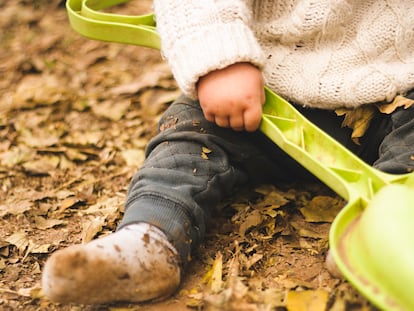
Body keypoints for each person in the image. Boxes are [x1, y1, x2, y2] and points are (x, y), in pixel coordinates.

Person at [42, 0, 414, 305]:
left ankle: (384, 232)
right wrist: (220, 58)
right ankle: (149, 239)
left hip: (399, 91)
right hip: (266, 96)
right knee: (189, 137)